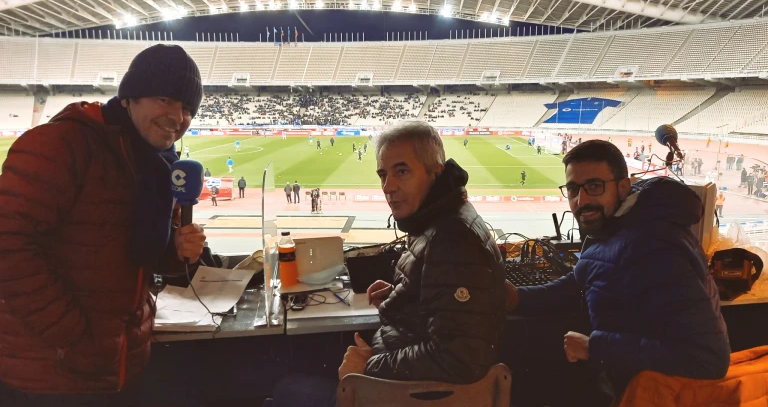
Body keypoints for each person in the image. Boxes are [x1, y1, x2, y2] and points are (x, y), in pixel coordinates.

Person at [0, 44, 207, 404]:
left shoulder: (157, 163)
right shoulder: (62, 143)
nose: (178, 116)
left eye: (188, 108)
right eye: (164, 99)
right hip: (51, 374)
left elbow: (138, 255)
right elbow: (8, 245)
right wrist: (74, 337)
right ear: (129, 98)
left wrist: (175, 249)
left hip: (118, 364)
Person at [268, 121, 506, 406]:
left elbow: (459, 358)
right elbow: (445, 303)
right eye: (383, 174)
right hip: (397, 361)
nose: (387, 186)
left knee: (284, 386)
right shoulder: (441, 218)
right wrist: (404, 294)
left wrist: (368, 368)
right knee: (304, 356)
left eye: (402, 171)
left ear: (435, 172)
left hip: (401, 393)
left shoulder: (453, 238)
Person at [506, 140, 729, 404]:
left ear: (623, 187)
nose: (581, 200)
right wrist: (518, 298)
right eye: (573, 189)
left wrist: (595, 347)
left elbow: (708, 357)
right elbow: (579, 282)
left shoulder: (655, 248)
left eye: (594, 186)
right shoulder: (615, 228)